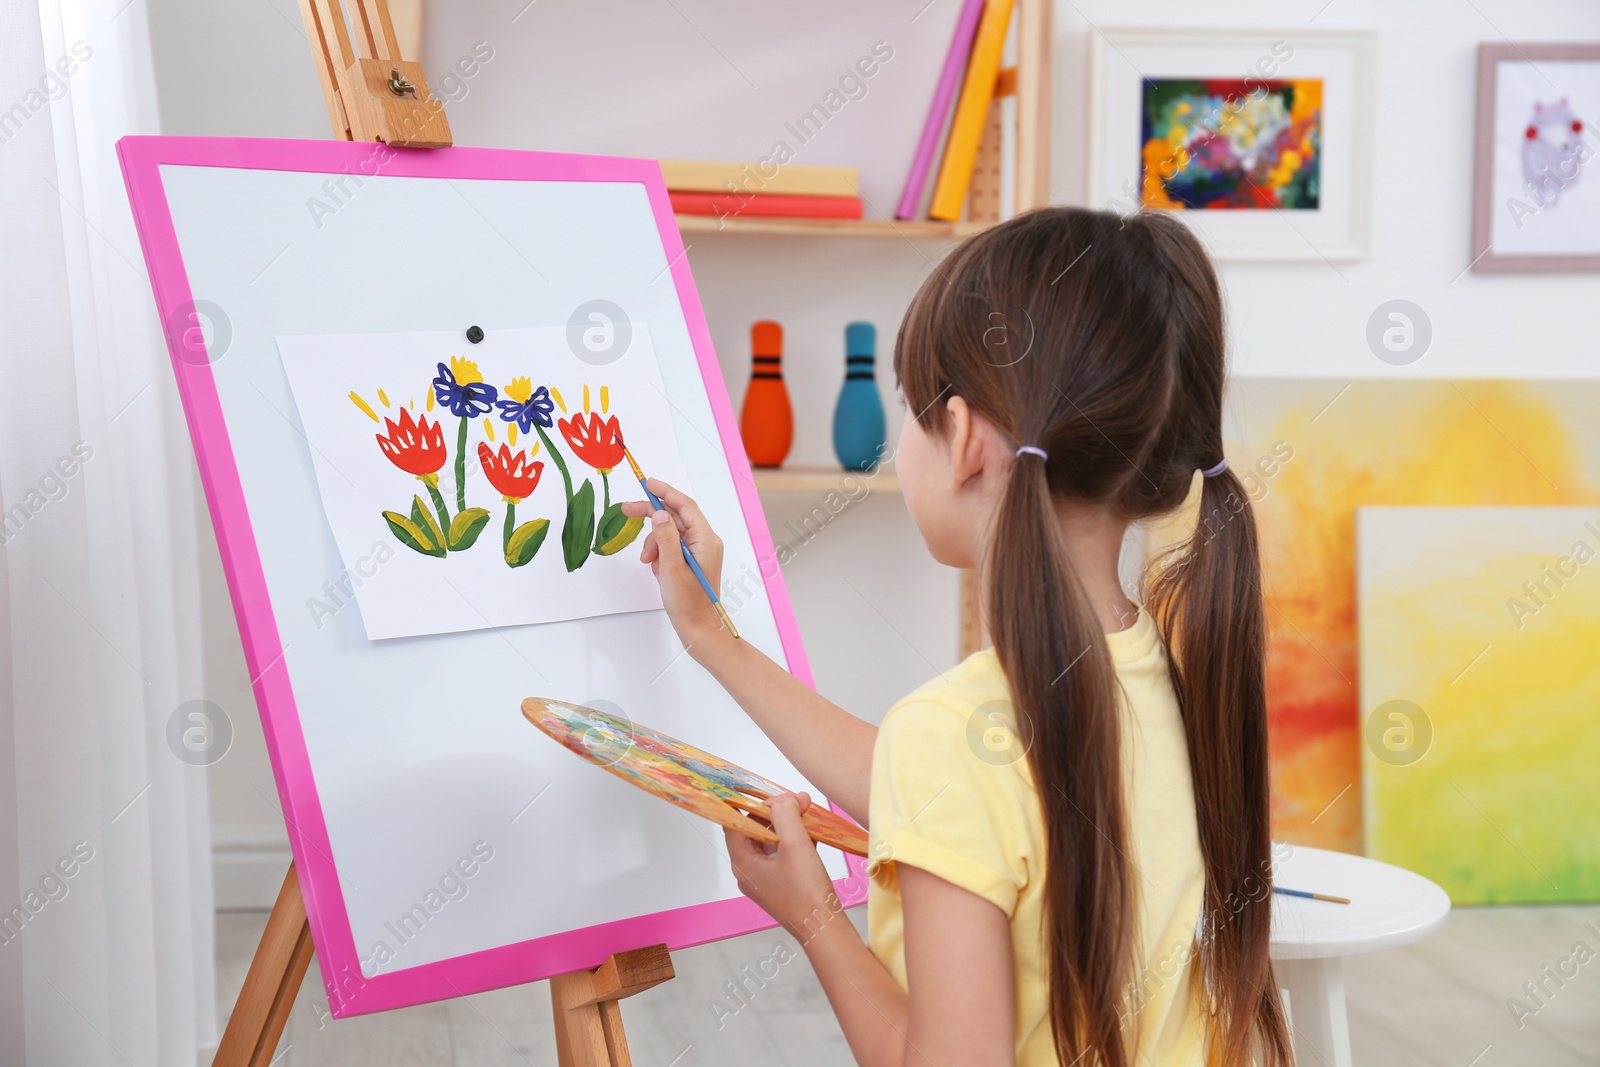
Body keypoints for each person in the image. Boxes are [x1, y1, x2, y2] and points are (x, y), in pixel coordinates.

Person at [621, 207, 1291, 1067]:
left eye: (910, 407)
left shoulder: (953, 731)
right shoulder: (1162, 668)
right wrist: (712, 636)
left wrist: (816, 915)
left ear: (966, 439)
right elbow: (942, 798)